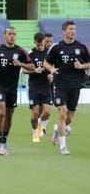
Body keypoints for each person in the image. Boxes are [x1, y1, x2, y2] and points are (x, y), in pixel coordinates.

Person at [44, 20, 90, 155]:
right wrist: (51, 69)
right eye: (70, 29)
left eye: (74, 29)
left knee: (69, 117)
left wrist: (81, 66)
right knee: (62, 113)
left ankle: (58, 129)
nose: (73, 31)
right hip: (60, 84)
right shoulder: (56, 47)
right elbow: (45, 62)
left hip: (76, 85)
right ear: (64, 31)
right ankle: (63, 147)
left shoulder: (81, 47)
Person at [0, 26, 34, 155]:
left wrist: (21, 64)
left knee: (8, 116)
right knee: (0, 112)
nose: (12, 36)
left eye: (14, 34)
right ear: (4, 35)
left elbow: (32, 66)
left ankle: (4, 140)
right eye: (9, 34)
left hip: (12, 88)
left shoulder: (20, 51)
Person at [22, 33, 53, 143]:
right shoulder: (30, 54)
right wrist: (34, 70)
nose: (40, 46)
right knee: (35, 113)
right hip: (34, 87)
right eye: (38, 44)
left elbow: (53, 67)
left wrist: (51, 75)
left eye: (41, 44)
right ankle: (35, 133)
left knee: (48, 112)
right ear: (34, 42)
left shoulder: (49, 53)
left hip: (46, 86)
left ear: (44, 41)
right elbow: (24, 70)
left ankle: (39, 123)